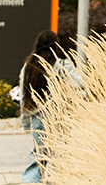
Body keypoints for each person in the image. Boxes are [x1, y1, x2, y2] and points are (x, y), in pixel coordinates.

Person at [13, 31, 79, 184]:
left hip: (38, 117)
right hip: (59, 116)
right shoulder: (62, 65)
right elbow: (78, 85)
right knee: (59, 155)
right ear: (56, 47)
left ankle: (31, 182)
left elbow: (24, 96)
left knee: (39, 156)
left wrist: (25, 123)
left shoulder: (28, 67)